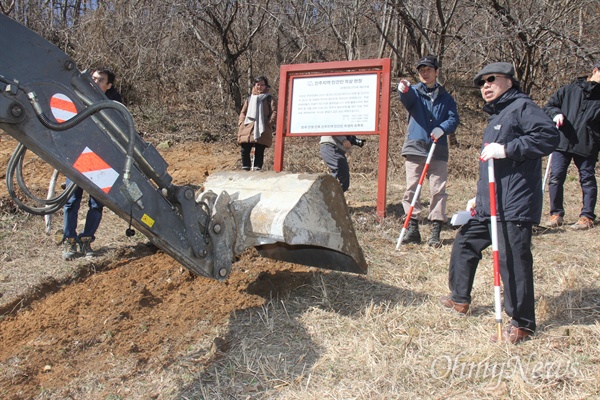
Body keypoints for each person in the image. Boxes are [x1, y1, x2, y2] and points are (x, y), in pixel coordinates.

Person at [439, 62, 559, 344]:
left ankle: (522, 324)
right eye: (481, 83)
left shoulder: (522, 107)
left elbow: (548, 137)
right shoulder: (498, 116)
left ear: (509, 82)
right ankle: (459, 298)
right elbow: (491, 168)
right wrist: (477, 198)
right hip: (490, 204)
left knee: (513, 263)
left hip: (514, 204)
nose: (485, 86)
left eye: (492, 80)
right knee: (465, 242)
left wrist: (507, 148)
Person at [397, 55, 459, 247]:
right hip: (415, 146)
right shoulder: (414, 92)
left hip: (438, 149)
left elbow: (453, 119)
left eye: (428, 70)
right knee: (412, 188)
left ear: (437, 71)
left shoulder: (446, 98)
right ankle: (412, 228)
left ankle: (435, 230)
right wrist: (404, 89)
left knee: (438, 190)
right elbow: (406, 98)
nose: (425, 73)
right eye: (421, 70)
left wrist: (443, 128)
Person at [62, 67, 122, 260]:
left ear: (108, 86)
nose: (94, 82)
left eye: (100, 80)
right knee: (71, 201)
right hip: (77, 155)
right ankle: (70, 241)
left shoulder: (114, 107)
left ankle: (86, 240)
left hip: (100, 159)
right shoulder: (76, 98)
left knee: (96, 204)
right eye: (93, 78)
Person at [544, 61, 600, 230]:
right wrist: (556, 114)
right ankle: (556, 214)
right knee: (556, 177)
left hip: (588, 143)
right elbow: (550, 106)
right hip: (563, 141)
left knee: (587, 179)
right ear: (596, 70)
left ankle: (587, 216)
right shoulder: (569, 90)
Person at [237, 76, 277, 171]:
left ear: (266, 86)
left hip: (262, 126)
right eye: (258, 84)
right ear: (254, 85)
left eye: (262, 85)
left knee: (260, 149)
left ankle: (257, 169)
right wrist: (241, 122)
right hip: (248, 126)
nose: (260, 87)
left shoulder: (269, 98)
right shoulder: (250, 98)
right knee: (245, 148)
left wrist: (269, 123)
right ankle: (245, 168)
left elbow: (274, 111)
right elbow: (243, 112)